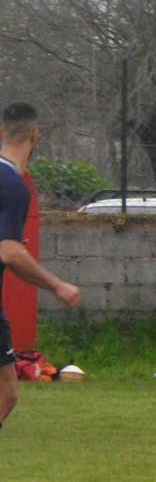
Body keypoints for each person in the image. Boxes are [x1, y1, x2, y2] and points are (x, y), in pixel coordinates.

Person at [0, 103, 82, 432]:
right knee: (6, 394)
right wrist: (57, 285)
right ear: (35, 135)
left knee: (7, 392)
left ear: (2, 133)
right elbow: (9, 252)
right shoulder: (12, 185)